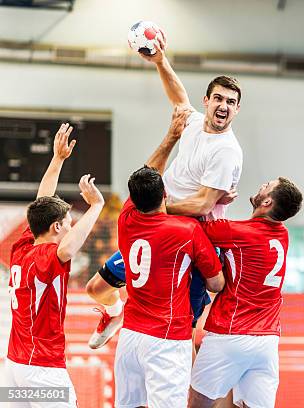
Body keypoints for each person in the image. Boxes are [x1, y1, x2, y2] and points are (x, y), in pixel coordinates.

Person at [86, 28, 243, 349]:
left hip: (193, 232)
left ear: (237, 109)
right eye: (218, 98)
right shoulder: (195, 123)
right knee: (96, 288)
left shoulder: (227, 151)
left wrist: (156, 208)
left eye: (231, 102)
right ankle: (114, 314)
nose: (223, 106)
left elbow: (201, 205)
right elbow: (178, 99)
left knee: (182, 328)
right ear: (207, 101)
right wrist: (160, 61)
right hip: (158, 223)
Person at [6, 123, 104, 407]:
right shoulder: (48, 257)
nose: (72, 229)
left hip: (14, 368)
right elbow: (69, 246)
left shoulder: (23, 247)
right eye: (69, 224)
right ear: (57, 226)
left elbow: (41, 202)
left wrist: (58, 159)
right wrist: (96, 206)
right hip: (42, 372)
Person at [114, 163, 224, 408]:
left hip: (130, 335)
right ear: (165, 194)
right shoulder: (187, 229)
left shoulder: (125, 219)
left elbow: (148, 170)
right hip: (167, 337)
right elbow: (216, 284)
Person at [189, 177, 303, 408]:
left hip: (231, 332)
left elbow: (192, 227)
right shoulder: (282, 235)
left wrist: (212, 200)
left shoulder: (238, 232)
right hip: (267, 342)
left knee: (197, 405)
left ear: (267, 201)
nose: (261, 185)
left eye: (266, 186)